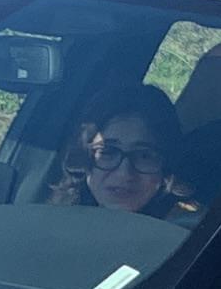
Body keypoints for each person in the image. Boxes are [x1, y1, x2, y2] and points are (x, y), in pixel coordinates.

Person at [44, 85, 198, 219]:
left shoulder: (193, 234)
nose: (124, 174)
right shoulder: (50, 222)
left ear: (167, 166)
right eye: (108, 152)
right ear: (84, 156)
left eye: (144, 156)